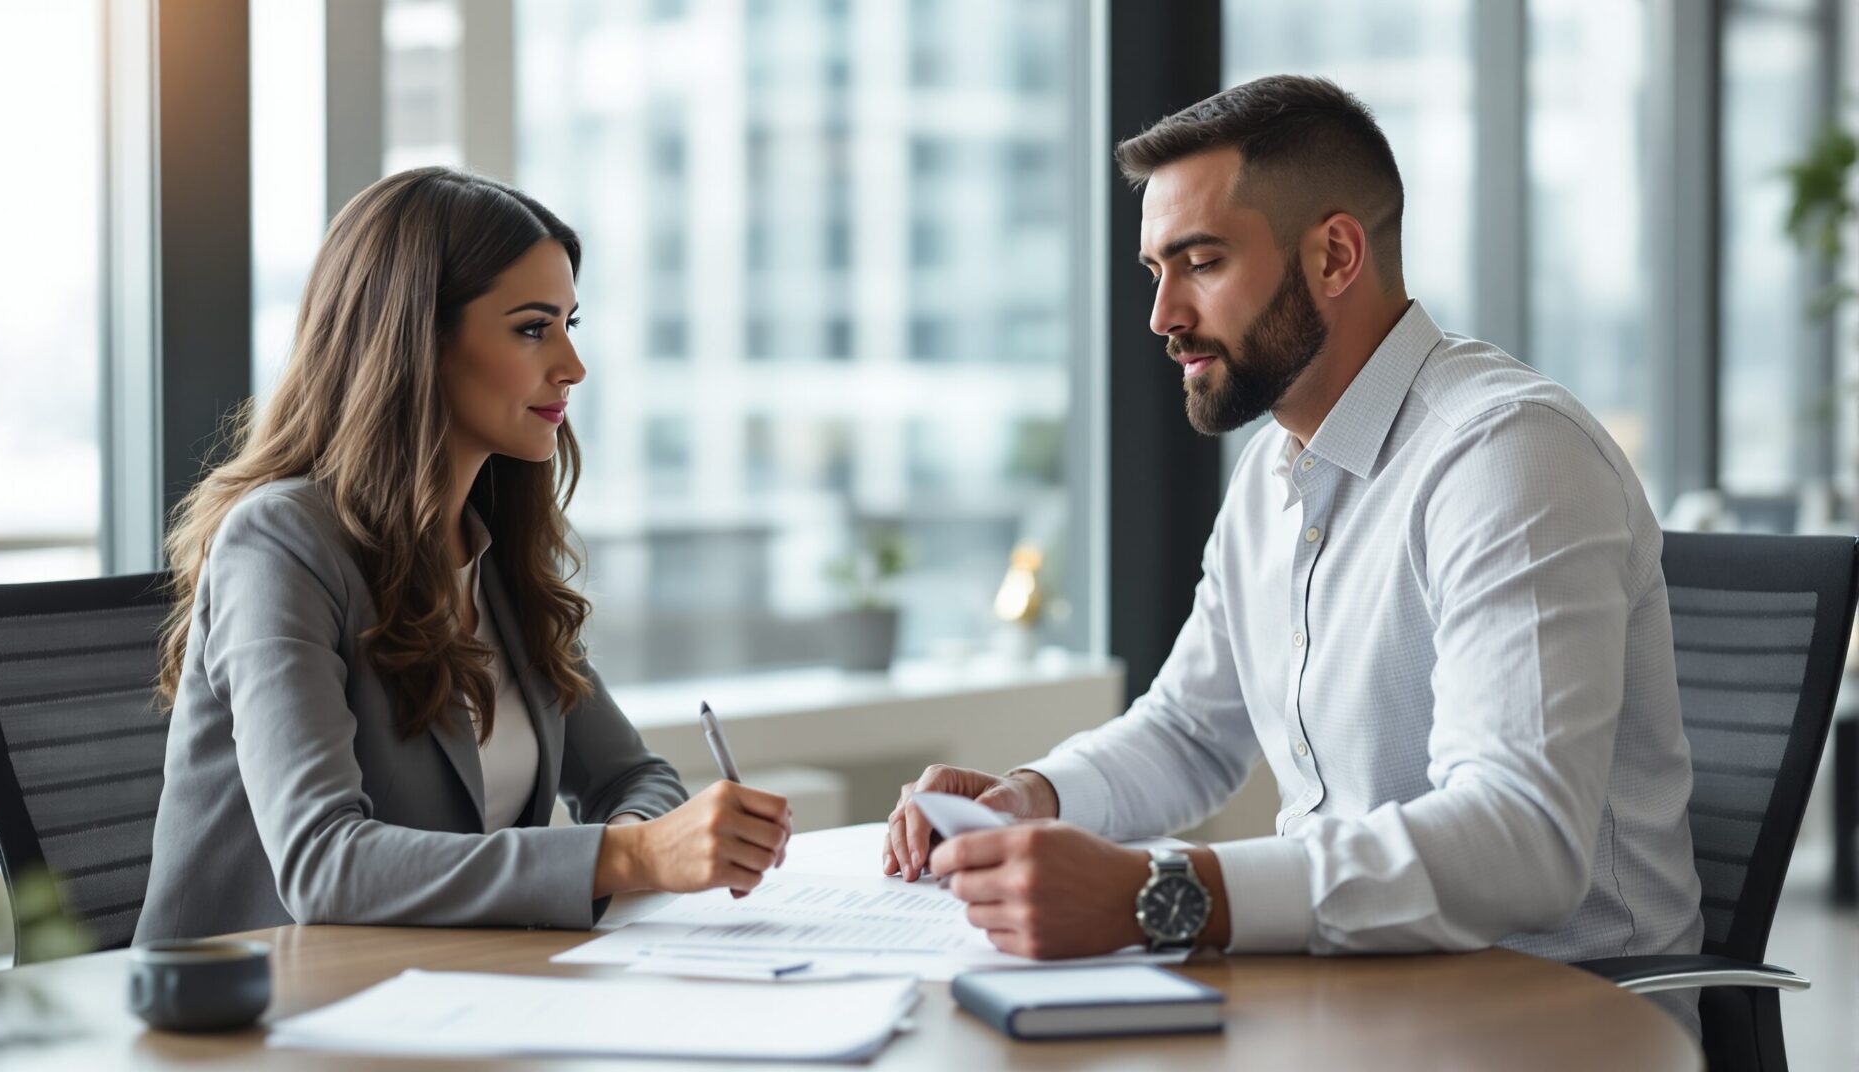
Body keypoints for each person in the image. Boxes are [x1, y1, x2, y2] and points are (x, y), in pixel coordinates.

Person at [884, 76, 1703, 1032]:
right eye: (1156, 270)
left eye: (1201, 262)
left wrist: (1157, 891)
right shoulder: (1277, 476)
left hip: (1557, 1017)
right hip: (1353, 996)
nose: (1163, 316)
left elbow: (1520, 836)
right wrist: (1036, 795)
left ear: (1336, 254)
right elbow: (1192, 730)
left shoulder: (1506, 455)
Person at [136, 168, 790, 942]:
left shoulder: (489, 546)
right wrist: (628, 856)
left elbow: (632, 778)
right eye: (532, 328)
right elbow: (322, 863)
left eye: (569, 324)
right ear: (418, 340)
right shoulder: (280, 543)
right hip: (259, 1020)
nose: (572, 366)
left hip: (451, 994)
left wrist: (644, 845)